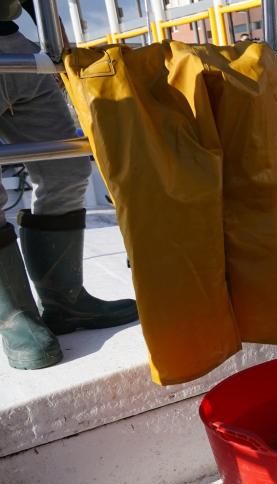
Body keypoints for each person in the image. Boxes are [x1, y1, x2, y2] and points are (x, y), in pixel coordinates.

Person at [0, 0, 138, 370]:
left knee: (67, 169)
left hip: (17, 50)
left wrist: (57, 44)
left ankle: (65, 302)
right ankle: (16, 320)